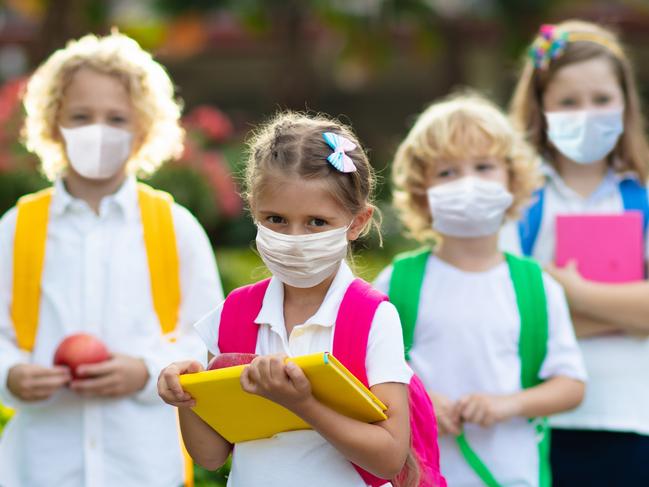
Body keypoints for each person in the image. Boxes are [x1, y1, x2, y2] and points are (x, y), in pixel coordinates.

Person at [0, 31, 223, 487]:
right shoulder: (15, 228)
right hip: (37, 468)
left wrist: (146, 371)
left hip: (144, 467)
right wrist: (10, 374)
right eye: (80, 116)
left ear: (143, 129)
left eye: (116, 118)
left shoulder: (176, 227)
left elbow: (208, 339)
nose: (97, 130)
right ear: (52, 123)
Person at [158, 112, 418, 487]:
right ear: (253, 210)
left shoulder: (371, 317)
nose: (294, 238)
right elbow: (211, 454)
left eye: (316, 222)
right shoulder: (235, 315)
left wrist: (302, 404)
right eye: (276, 219)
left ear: (357, 222)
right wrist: (189, 395)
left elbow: (390, 457)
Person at [374, 93, 586, 486]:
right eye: (447, 172)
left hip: (513, 475)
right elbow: (362, 371)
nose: (467, 182)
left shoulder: (537, 285)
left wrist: (508, 405)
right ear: (422, 193)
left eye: (484, 166)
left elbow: (570, 384)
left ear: (514, 179)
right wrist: (417, 401)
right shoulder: (396, 282)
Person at [501, 20, 649, 485]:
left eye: (602, 99)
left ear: (625, 103)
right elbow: (507, 311)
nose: (587, 113)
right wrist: (628, 313)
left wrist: (570, 291)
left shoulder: (642, 193)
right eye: (568, 102)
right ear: (541, 107)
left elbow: (537, 309)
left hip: (632, 416)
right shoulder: (515, 198)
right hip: (537, 416)